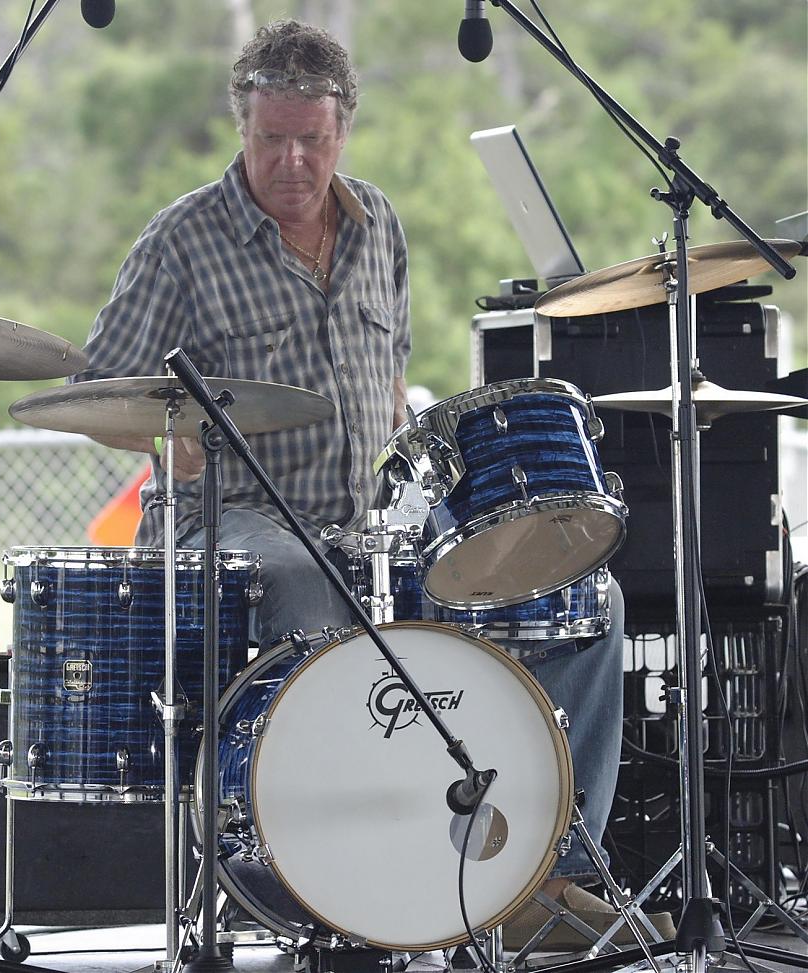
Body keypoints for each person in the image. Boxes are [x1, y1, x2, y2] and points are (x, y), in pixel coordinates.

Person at [71, 19, 672, 953]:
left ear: (342, 129)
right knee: (313, 585)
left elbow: (390, 382)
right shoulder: (181, 239)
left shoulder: (380, 225)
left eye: (312, 139)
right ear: (242, 128)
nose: (293, 161)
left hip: (368, 525)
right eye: (272, 138)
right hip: (228, 520)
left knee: (581, 597)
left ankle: (541, 879)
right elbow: (98, 391)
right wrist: (169, 435)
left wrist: (424, 497)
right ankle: (347, 881)